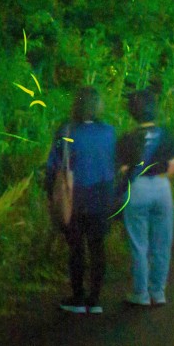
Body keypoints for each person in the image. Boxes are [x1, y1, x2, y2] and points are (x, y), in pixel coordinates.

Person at [44, 87, 116, 315]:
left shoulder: (66, 131)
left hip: (75, 196)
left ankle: (78, 296)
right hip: (102, 195)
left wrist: (50, 194)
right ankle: (95, 299)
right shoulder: (109, 132)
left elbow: (53, 166)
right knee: (97, 247)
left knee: (76, 248)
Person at [116, 88, 174, 307]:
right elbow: (172, 167)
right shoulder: (166, 135)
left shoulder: (127, 138)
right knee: (162, 243)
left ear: (132, 112)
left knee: (139, 244)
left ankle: (141, 294)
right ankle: (158, 292)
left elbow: (123, 170)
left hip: (137, 189)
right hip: (162, 189)